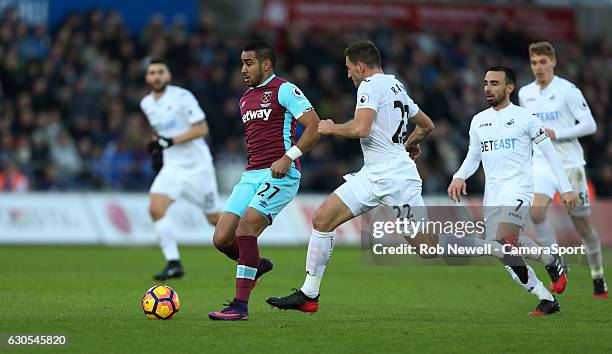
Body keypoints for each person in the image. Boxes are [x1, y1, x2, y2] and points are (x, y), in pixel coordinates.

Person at [266, 40, 443, 313]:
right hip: (373, 175)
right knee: (323, 217)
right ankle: (308, 294)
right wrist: (408, 144)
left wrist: (330, 127)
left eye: (349, 69)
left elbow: (361, 128)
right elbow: (426, 125)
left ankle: (492, 245)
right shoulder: (397, 86)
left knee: (429, 248)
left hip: (396, 180)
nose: (348, 75)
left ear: (361, 67)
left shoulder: (370, 86)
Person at [447, 66, 577, 315]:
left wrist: (566, 187)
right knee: (502, 250)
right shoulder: (479, 121)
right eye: (485, 83)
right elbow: (474, 156)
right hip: (492, 194)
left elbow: (551, 154)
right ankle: (546, 293)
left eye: (494, 83)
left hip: (519, 189)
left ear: (509, 88)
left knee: (505, 241)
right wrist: (459, 175)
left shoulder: (526, 118)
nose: (487, 88)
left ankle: (551, 264)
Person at [207, 40, 321, 321]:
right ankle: (255, 266)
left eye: (249, 63)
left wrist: (289, 156)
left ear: (266, 64)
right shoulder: (245, 98)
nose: (243, 69)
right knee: (221, 239)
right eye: (242, 63)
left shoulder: (284, 89)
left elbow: (314, 126)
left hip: (281, 173)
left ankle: (239, 306)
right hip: (250, 175)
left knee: (246, 227)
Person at [519, 41, 607, 298]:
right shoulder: (525, 93)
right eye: (534, 62)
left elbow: (590, 125)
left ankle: (598, 275)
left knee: (583, 227)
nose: (538, 67)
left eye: (543, 62)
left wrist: (558, 133)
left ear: (553, 62)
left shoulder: (568, 90)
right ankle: (557, 265)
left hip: (570, 164)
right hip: (542, 163)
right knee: (536, 212)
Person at [140, 58, 221, 281]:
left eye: (160, 72)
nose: (156, 76)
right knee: (156, 208)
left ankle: (250, 258)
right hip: (173, 167)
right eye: (152, 73)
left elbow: (202, 128)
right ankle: (173, 263)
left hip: (198, 167)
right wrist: (158, 149)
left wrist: (170, 141)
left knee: (215, 219)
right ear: (147, 78)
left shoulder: (183, 97)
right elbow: (158, 131)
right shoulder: (146, 104)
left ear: (168, 76)